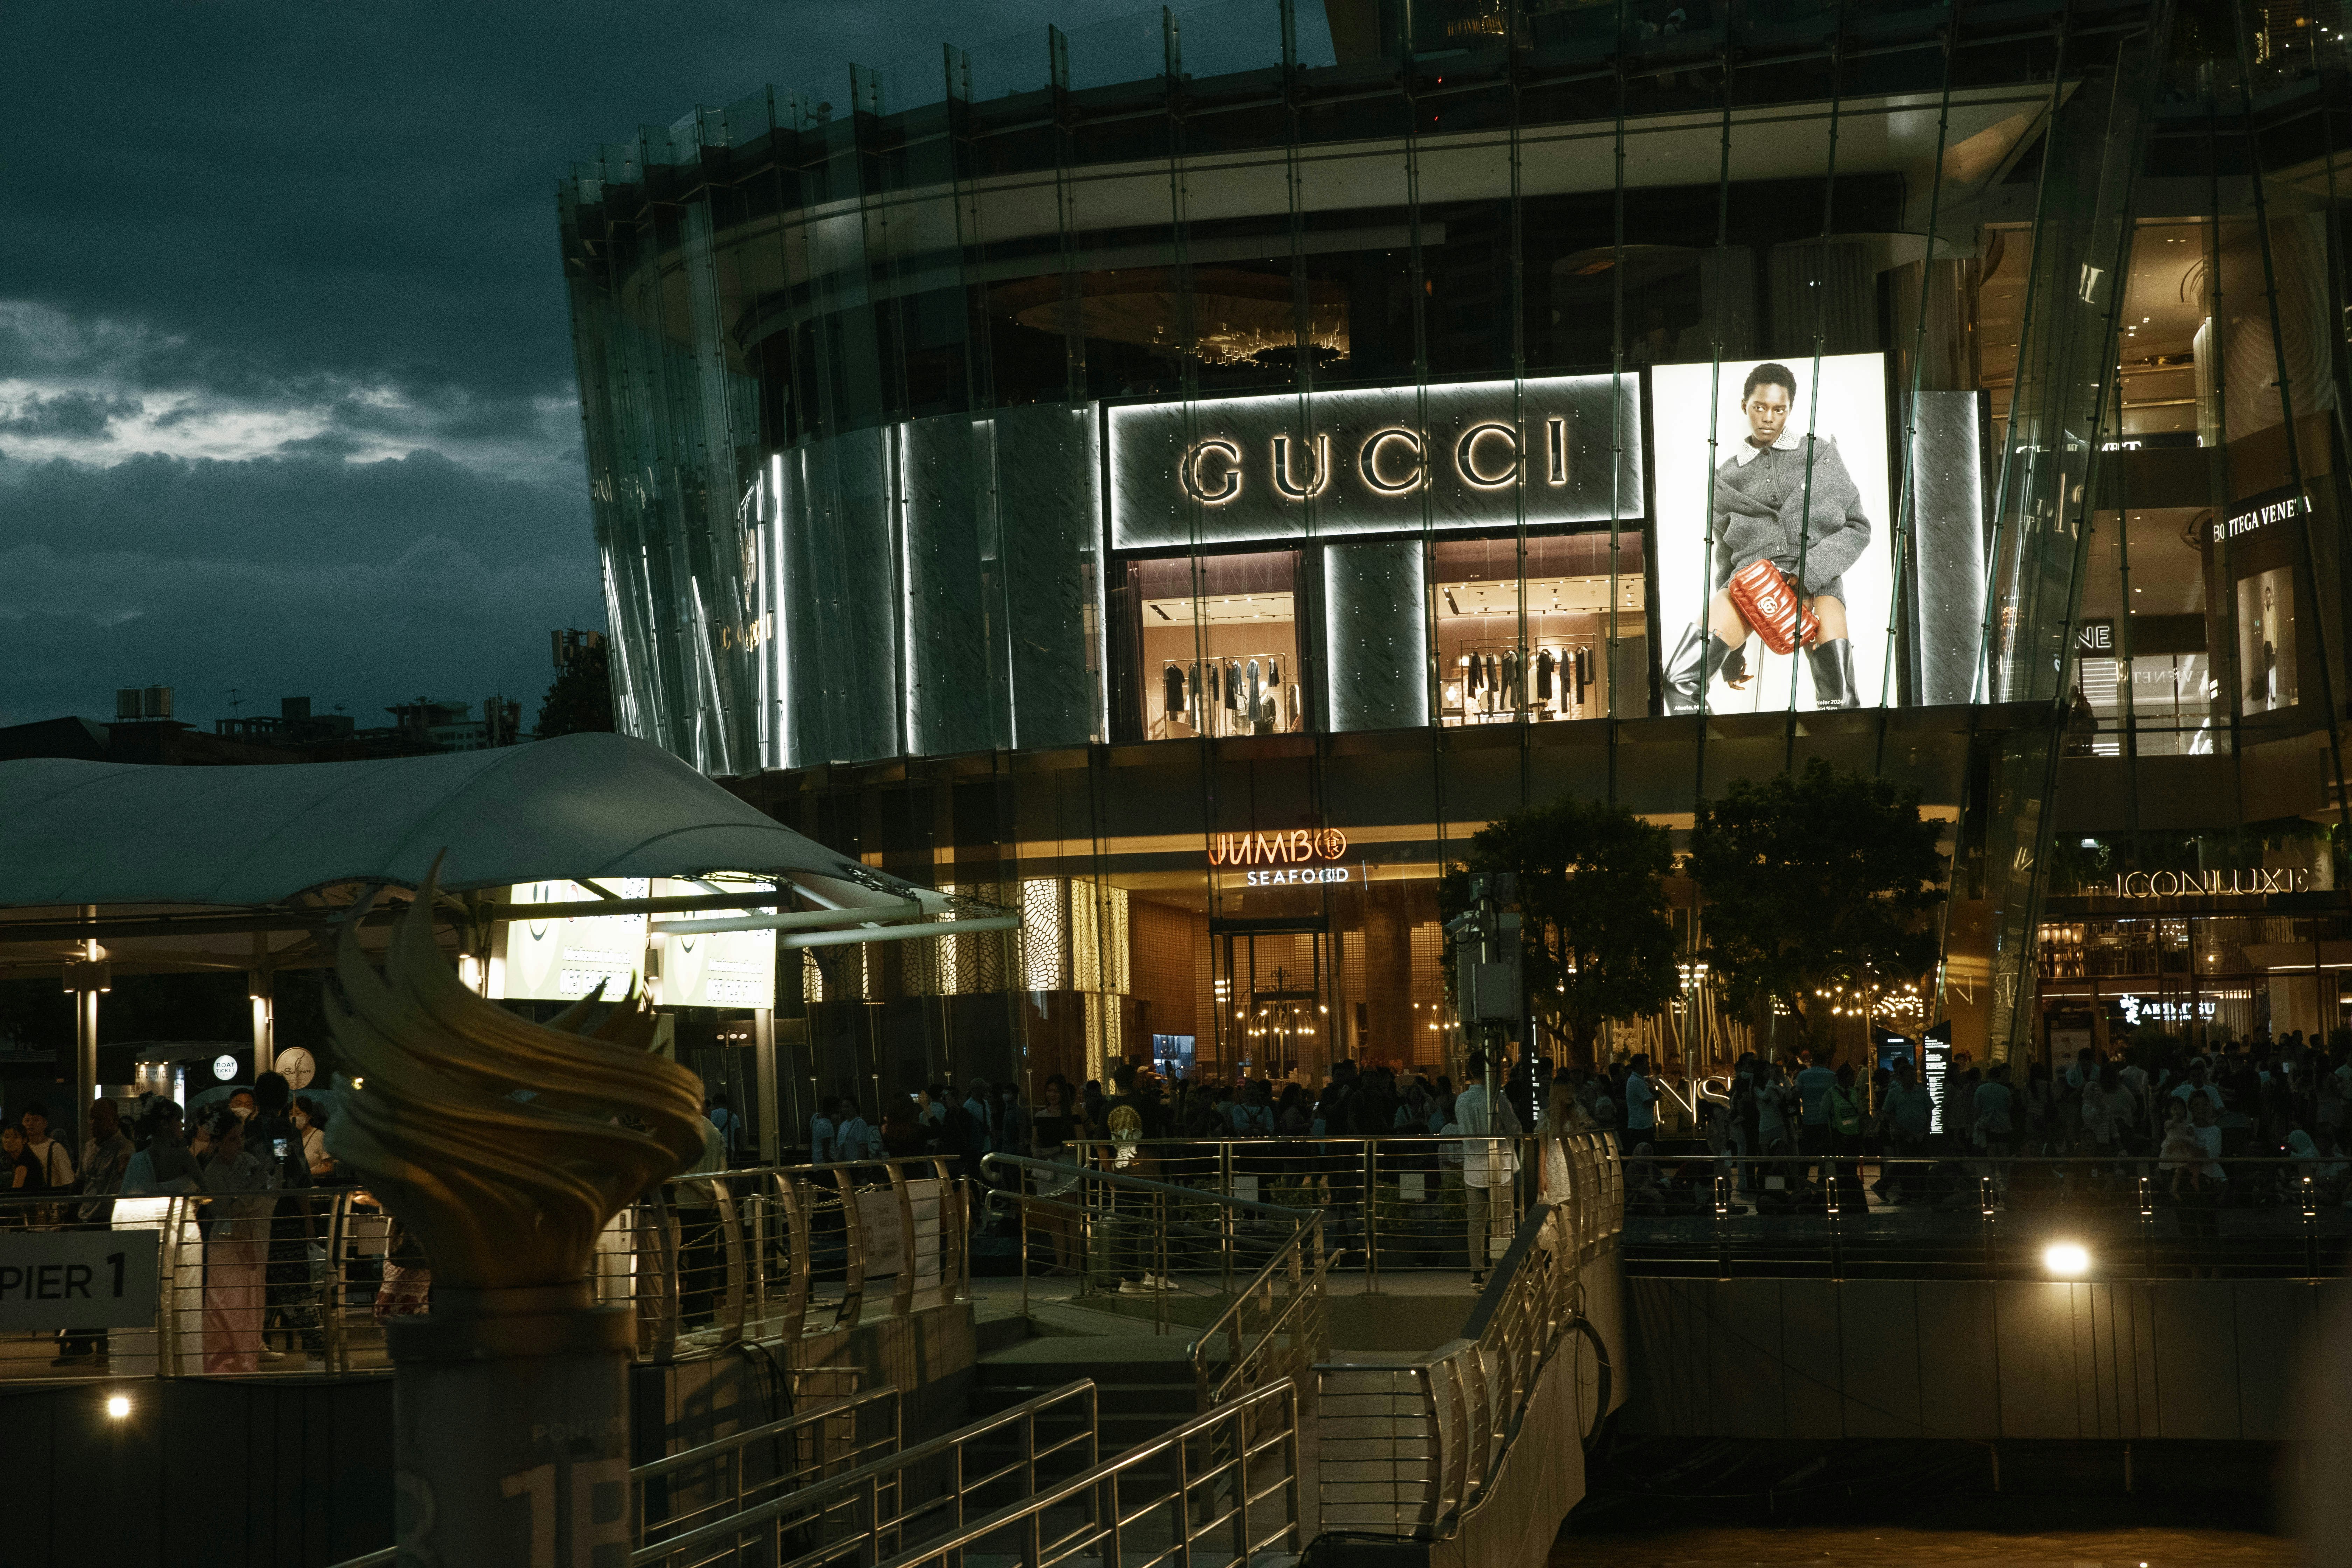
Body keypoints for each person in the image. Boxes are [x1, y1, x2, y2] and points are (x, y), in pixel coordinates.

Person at [1662, 360, 1874, 713]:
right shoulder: (1726, 477)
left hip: (1815, 585)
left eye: (1780, 409)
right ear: (1745, 405)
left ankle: (1839, 768)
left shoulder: (1819, 454)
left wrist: (1809, 572)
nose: (1768, 418)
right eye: (1760, 407)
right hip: (1749, 584)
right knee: (1680, 681)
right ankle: (1720, 764)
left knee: (1839, 700)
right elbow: (1725, 559)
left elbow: (1857, 527)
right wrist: (1734, 652)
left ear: (1790, 409)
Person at [196, 1106, 275, 1373]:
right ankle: (220, 1362)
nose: (239, 1144)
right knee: (224, 1303)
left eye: (240, 1137)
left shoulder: (248, 1161)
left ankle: (246, 1359)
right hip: (225, 1241)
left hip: (250, 1236)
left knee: (250, 1301)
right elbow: (224, 1209)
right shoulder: (212, 1172)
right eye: (232, 1139)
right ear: (217, 1142)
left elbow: (261, 1194)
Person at [1451, 1051, 1523, 1287]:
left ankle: (1476, 1272)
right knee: (1501, 1222)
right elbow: (1515, 1127)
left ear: (1470, 1073)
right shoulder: (1497, 1098)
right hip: (1500, 1166)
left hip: (1473, 1166)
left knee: (1476, 1224)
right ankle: (1501, 1268)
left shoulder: (1462, 1101)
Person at [1793, 1051, 1836, 1176]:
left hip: (1809, 1119)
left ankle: (1803, 1182)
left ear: (1813, 1061)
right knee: (1826, 1155)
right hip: (1826, 1122)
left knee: (1806, 1154)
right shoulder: (1832, 1076)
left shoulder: (1803, 1075)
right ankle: (1823, 1181)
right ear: (1826, 1062)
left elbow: (1797, 1094)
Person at [1624, 1054, 1659, 1146]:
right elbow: (1650, 1102)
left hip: (1641, 1125)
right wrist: (1653, 1091)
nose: (1649, 1068)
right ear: (1639, 1066)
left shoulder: (1637, 1080)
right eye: (1647, 1065)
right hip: (1641, 1127)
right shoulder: (1637, 1081)